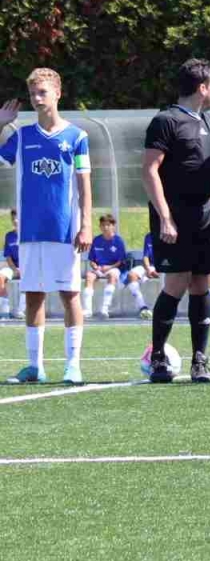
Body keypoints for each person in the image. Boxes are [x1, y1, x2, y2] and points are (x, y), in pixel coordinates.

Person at [0, 69, 93, 384]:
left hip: (65, 231)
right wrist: (1, 124)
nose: (37, 99)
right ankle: (35, 367)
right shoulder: (22, 136)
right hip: (30, 232)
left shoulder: (77, 137)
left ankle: (73, 365)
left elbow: (85, 185)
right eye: (33, 94)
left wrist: (86, 225)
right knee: (33, 296)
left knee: (70, 294)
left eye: (42, 92)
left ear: (58, 94)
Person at [141, 58, 210, 383]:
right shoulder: (165, 121)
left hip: (205, 218)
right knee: (175, 284)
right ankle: (158, 358)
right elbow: (149, 170)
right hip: (176, 218)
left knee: (202, 284)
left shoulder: (207, 122)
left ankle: (199, 360)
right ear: (202, 88)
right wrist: (165, 218)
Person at [82, 213, 131, 319]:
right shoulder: (96, 240)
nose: (105, 227)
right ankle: (87, 310)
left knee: (112, 275)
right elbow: (92, 260)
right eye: (103, 225)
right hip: (99, 269)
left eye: (108, 225)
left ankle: (104, 309)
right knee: (89, 276)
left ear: (113, 226)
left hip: (113, 268)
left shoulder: (118, 241)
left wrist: (109, 267)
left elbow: (121, 261)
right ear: (100, 226)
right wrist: (95, 266)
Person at [131, 231, 156, 319]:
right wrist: (148, 269)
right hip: (150, 266)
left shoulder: (168, 234)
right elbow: (145, 256)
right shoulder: (149, 236)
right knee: (132, 275)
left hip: (165, 267)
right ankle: (142, 307)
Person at [1, 209, 17, 319]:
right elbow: (8, 256)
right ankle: (5, 311)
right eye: (13, 218)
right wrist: (15, 269)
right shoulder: (9, 236)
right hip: (13, 268)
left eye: (17, 218)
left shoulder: (28, 235)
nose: (15, 221)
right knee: (0, 277)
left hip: (28, 268)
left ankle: (20, 310)